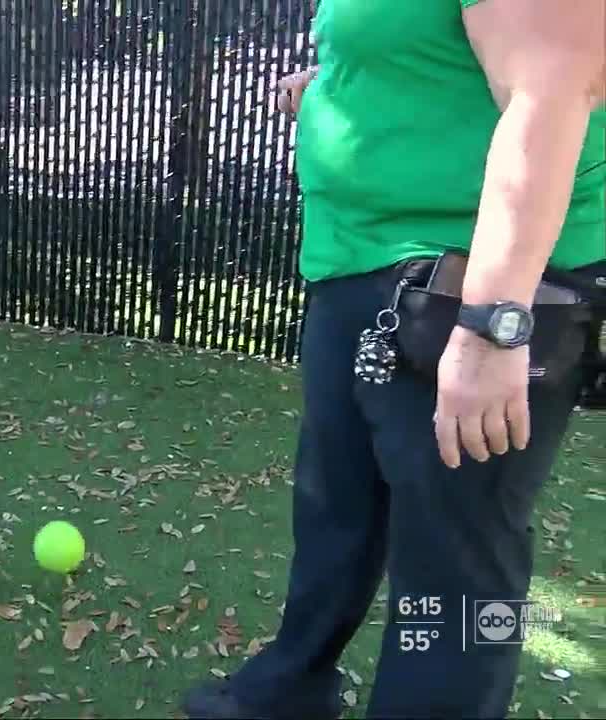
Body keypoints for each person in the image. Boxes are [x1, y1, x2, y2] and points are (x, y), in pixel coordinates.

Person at [180, 0, 605, 718]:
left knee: (456, 569)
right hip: (359, 260)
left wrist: (493, 325)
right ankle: (293, 686)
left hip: (464, 285)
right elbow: (429, 53)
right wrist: (345, 84)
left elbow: (552, 92)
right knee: (335, 508)